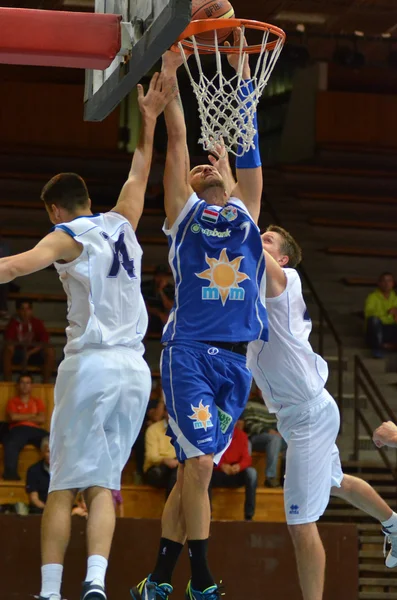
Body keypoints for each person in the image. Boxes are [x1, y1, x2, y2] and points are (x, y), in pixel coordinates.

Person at [0, 72, 173, 600]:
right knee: (105, 484)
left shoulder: (65, 234)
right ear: (86, 199)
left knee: (61, 485)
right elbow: (142, 167)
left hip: (93, 364)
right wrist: (149, 118)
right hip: (136, 370)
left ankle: (51, 593)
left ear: (55, 210)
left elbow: (17, 266)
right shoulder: (122, 220)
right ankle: (96, 583)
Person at [131, 33, 269, 600]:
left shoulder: (247, 211)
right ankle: (203, 580)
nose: (202, 171)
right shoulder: (183, 217)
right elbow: (180, 142)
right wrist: (172, 69)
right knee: (201, 469)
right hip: (190, 352)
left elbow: (251, 151)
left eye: (216, 169)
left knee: (193, 468)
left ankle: (160, 577)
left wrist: (240, 79)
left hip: (237, 364)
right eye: (195, 172)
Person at [246, 224, 397, 600]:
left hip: (308, 414)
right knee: (336, 481)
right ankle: (394, 525)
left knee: (300, 521)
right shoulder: (252, 291)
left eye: (268, 240)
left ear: (281, 258)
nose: (258, 239)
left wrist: (236, 195)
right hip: (302, 412)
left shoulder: (282, 281)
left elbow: (243, 237)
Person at [3, 373, 49, 480]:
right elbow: (13, 417)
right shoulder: (13, 401)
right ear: (18, 385)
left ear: (31, 385)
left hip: (35, 430)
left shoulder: (37, 401)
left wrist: (21, 416)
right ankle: (10, 475)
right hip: (18, 429)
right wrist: (33, 415)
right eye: (22, 383)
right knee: (11, 443)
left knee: (51, 440)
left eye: (28, 383)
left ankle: (53, 476)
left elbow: (41, 419)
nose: (25, 385)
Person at [210, 419, 257, 521]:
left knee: (252, 473)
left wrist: (239, 466)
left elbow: (247, 458)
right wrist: (221, 466)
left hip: (235, 472)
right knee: (206, 473)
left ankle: (249, 516)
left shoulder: (242, 436)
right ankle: (208, 515)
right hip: (218, 472)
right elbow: (210, 457)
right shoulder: (214, 434)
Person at [3, 299, 55, 382]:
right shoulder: (12, 323)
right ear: (18, 311)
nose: (25, 312)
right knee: (7, 350)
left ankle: (46, 384)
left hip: (33, 353)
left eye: (28, 309)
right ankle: (7, 383)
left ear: (31, 310)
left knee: (50, 350)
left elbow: (44, 342)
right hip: (18, 354)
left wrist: (29, 353)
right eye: (22, 309)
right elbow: (9, 342)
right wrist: (23, 353)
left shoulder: (37, 323)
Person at [243, 390, 286, 488]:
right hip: (255, 438)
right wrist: (267, 430)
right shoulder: (250, 404)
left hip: (274, 438)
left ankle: (285, 479)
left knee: (294, 442)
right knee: (274, 439)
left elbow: (280, 424)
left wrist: (280, 431)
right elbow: (249, 425)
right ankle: (270, 477)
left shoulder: (275, 407)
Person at [144, 401, 178, 497]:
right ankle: (173, 511)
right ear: (164, 412)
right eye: (169, 411)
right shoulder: (153, 429)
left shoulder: (183, 430)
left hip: (177, 466)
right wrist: (164, 460)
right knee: (177, 476)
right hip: (156, 467)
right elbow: (151, 456)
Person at [365, 272, 397, 358]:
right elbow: (369, 313)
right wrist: (388, 312)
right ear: (379, 283)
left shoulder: (395, 297)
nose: (387, 284)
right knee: (374, 320)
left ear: (393, 283)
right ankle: (378, 348)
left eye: (389, 281)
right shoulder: (372, 297)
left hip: (392, 327)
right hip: (379, 328)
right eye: (384, 281)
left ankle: (388, 345)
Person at [142, 265, 175, 333]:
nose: (160, 278)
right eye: (158, 276)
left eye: (163, 276)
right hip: (149, 316)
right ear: (154, 276)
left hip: (164, 318)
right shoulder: (146, 286)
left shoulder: (170, 288)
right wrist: (159, 314)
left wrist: (161, 291)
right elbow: (143, 306)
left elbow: (169, 307)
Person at [26, 435, 50, 514]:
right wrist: (48, 509)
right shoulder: (33, 470)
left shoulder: (64, 471)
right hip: (42, 509)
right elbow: (34, 499)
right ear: (42, 452)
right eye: (48, 451)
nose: (52, 455)